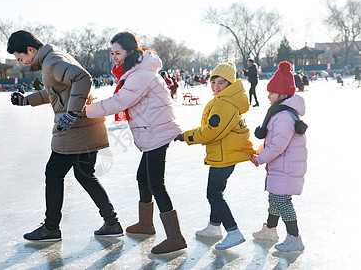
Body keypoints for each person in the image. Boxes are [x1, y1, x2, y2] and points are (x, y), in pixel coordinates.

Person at [7, 30, 122, 242]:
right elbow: (57, 92)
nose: (21, 62)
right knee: (84, 174)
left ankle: (51, 228)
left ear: (30, 50)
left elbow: (82, 78)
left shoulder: (52, 62)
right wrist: (27, 100)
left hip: (75, 129)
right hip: (87, 126)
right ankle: (112, 222)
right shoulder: (53, 58)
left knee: (53, 173)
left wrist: (71, 113)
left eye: (20, 57)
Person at [85, 32, 187, 254]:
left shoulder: (141, 75)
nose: (114, 57)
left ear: (131, 52)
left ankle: (175, 237)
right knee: (143, 177)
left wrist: (85, 111)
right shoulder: (136, 71)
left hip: (157, 131)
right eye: (112, 53)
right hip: (152, 129)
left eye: (118, 53)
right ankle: (146, 224)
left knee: (156, 183)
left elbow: (120, 101)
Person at [174, 62, 255, 250]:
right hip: (224, 154)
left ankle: (233, 231)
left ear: (230, 84)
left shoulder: (224, 104)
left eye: (221, 83)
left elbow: (213, 131)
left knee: (214, 194)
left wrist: (186, 136)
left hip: (224, 156)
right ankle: (214, 227)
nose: (216, 87)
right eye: (213, 83)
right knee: (216, 192)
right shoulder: (226, 100)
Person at [251, 61, 307, 252]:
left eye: (271, 93)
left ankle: (294, 237)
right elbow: (273, 141)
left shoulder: (283, 116)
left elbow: (278, 146)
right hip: (282, 166)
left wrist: (260, 158)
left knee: (282, 201)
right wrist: (260, 150)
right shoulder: (280, 113)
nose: (268, 96)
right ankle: (270, 229)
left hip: (286, 167)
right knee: (275, 199)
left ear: (282, 94)